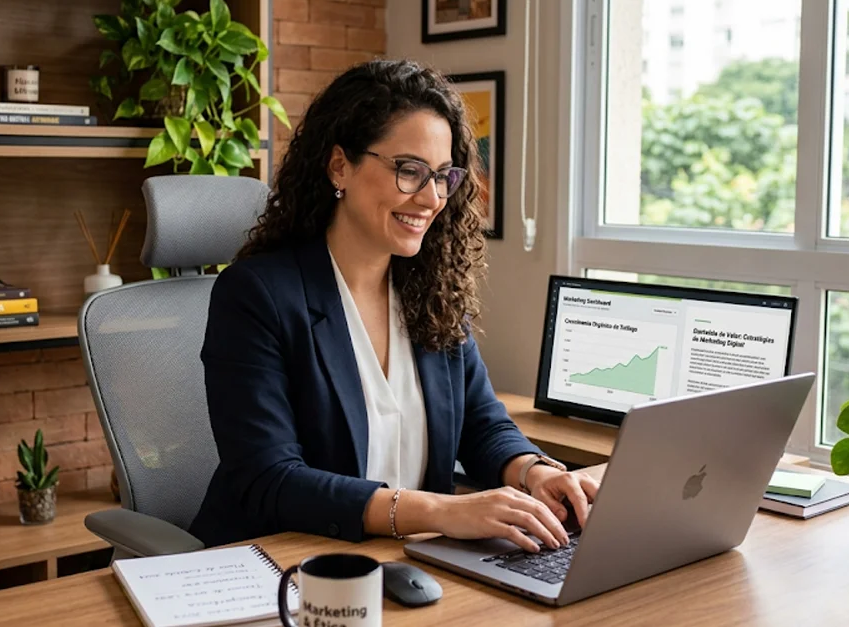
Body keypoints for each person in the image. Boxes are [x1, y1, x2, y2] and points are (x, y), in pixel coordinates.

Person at [188, 59, 599, 553]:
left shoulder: (431, 292)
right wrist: (443, 512)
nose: (430, 197)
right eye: (409, 171)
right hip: (282, 566)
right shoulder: (256, 295)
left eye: (444, 175)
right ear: (340, 165)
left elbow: (481, 423)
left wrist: (533, 472)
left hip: (407, 563)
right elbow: (270, 479)